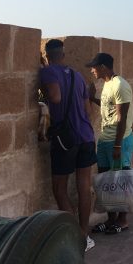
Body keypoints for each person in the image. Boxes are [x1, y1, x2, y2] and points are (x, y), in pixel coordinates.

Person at [39, 39, 97, 252]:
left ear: (47, 55)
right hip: (86, 136)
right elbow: (87, 110)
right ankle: (84, 234)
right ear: (63, 55)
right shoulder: (78, 76)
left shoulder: (48, 72)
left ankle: (73, 236)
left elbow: (55, 97)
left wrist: (43, 93)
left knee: (59, 187)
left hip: (66, 138)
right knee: (83, 186)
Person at [87, 52, 133, 235]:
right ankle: (110, 219)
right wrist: (92, 99)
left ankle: (122, 220)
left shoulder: (120, 85)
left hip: (119, 139)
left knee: (121, 180)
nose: (92, 70)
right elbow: (109, 108)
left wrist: (117, 146)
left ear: (104, 67)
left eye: (94, 67)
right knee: (106, 181)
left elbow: (121, 118)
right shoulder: (107, 85)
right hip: (106, 139)